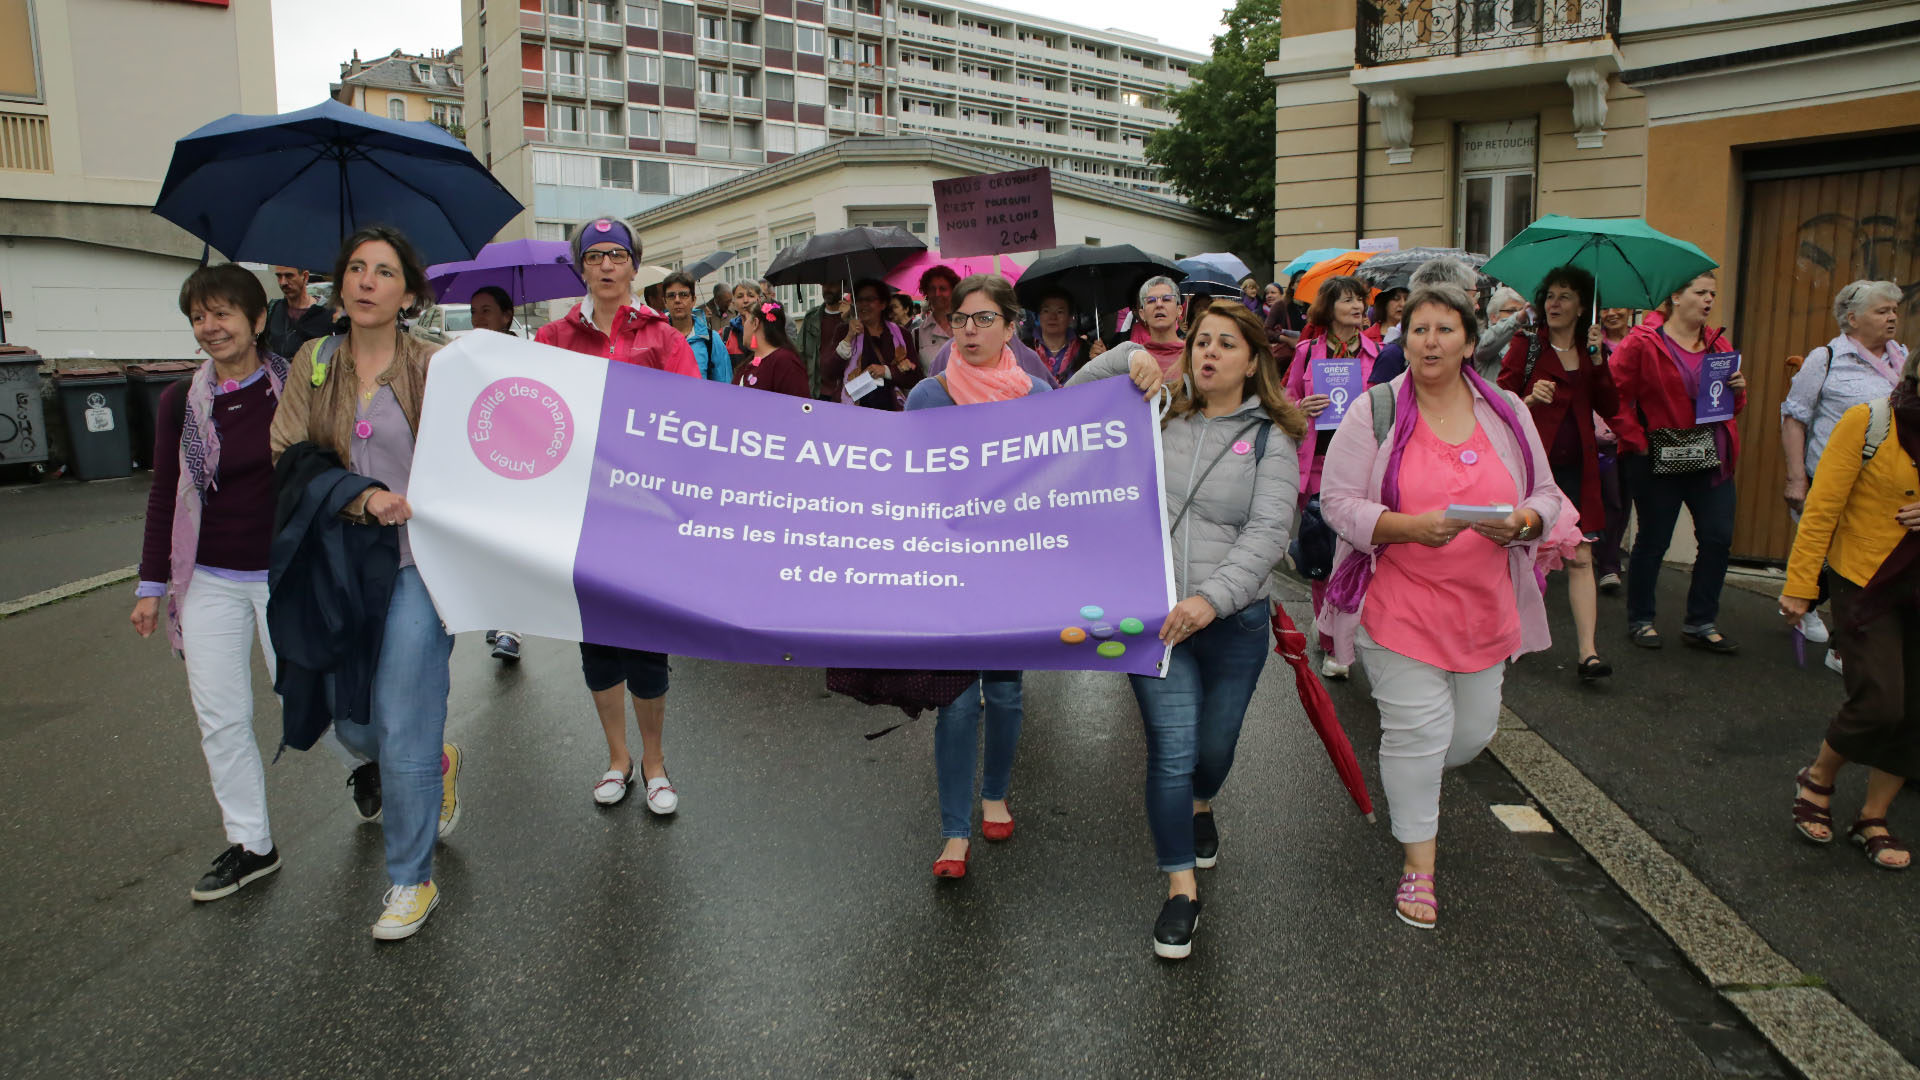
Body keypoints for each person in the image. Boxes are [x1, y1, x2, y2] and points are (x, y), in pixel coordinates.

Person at [1318, 285, 1562, 930]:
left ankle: (1407, 767)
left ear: (1469, 341)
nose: (1429, 340)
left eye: (1444, 329)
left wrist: (1530, 520)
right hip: (1397, 600)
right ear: (1404, 340)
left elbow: (1546, 490)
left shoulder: (1507, 409)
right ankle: (1418, 866)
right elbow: (1336, 502)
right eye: (1417, 328)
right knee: (1420, 733)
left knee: (1471, 735)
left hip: (1486, 605)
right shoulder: (1375, 409)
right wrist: (1404, 526)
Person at [1072, 299, 1304, 959]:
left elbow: (1268, 531)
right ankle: (1180, 890)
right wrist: (1128, 357)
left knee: (1214, 749)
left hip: (1233, 620)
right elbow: (1063, 406)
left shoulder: (1271, 437)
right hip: (1155, 620)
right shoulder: (1157, 412)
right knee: (1171, 751)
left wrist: (1212, 598)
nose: (1208, 353)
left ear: (1253, 359)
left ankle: (1203, 804)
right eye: (1201, 341)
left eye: (1226, 344)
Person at [268, 225, 459, 941]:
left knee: (403, 723)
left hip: (417, 565)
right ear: (340, 285)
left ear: (408, 292)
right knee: (353, 720)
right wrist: (360, 495)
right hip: (336, 559)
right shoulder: (312, 361)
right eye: (355, 268)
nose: (367, 281)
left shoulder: (435, 366)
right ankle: (436, 762)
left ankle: (411, 880)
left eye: (384, 271)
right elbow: (286, 450)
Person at [130, 265, 305, 901]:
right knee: (221, 718)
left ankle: (368, 766)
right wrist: (152, 586)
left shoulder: (295, 387)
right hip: (206, 578)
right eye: (199, 317)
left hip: (286, 575)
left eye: (223, 313)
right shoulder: (181, 401)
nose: (210, 327)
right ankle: (252, 843)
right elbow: (164, 497)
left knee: (306, 700)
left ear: (258, 321)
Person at [536, 218, 699, 812]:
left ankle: (654, 764)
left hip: (647, 516)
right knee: (598, 643)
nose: (607, 265)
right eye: (595, 256)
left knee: (647, 644)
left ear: (634, 266)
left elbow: (693, 421)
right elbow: (532, 420)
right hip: (584, 518)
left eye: (617, 256)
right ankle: (617, 759)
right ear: (582, 267)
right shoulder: (552, 338)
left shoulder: (664, 339)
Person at [903, 275, 1048, 881]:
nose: (969, 329)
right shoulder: (927, 398)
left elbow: (1058, 481)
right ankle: (954, 830)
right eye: (961, 319)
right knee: (958, 702)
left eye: (984, 319)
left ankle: (995, 795)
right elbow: (905, 488)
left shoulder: (1038, 396)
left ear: (1011, 327)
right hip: (949, 573)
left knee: (1007, 693)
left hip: (1013, 571)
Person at [1780, 347, 1920, 871]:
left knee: (1916, 709)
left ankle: (1874, 817)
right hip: (1867, 581)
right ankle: (1818, 778)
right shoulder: (1870, 422)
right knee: (1881, 700)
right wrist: (1799, 586)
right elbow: (1821, 510)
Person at [1610, 271, 1746, 653]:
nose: (1708, 300)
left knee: (1718, 539)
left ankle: (1701, 622)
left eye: (1712, 294)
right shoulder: (1643, 342)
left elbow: (1729, 406)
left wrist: (1738, 390)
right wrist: (1635, 439)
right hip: (1657, 455)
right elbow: (1613, 395)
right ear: (1676, 295)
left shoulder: (1719, 345)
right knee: (1654, 541)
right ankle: (1641, 619)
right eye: (1700, 292)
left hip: (1710, 455)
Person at [1497, 267, 1617, 681]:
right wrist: (1528, 398)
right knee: (1520, 552)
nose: (1554, 303)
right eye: (1550, 295)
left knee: (1583, 556)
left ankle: (1588, 654)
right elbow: (1499, 400)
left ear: (1583, 306)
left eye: (1565, 296)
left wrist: (1600, 361)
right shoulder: (1527, 343)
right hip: (1535, 469)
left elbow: (1609, 404)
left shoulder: (1591, 350)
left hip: (1578, 470)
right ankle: (1506, 636)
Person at [1780, 280, 1907, 669]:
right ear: (1852, 319)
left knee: (1865, 564)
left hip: (1882, 488)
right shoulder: (1827, 358)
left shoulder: (1902, 357)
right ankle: (1828, 630)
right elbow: (1794, 417)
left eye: (1894, 311)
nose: (1892, 318)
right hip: (1831, 480)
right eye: (1882, 311)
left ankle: (1841, 645)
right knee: (1832, 564)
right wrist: (1797, 477)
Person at [1284, 274, 1382, 678]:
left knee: (1360, 553)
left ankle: (1358, 628)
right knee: (1323, 552)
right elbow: (1285, 399)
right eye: (1346, 300)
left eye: (1360, 299)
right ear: (1329, 307)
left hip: (1365, 465)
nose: (1357, 306)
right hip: (1318, 465)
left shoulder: (1383, 355)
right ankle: (1330, 641)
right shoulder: (1308, 352)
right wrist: (1301, 406)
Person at [464, 283, 529, 661]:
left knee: (512, 544)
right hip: (480, 466)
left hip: (519, 466)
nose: (478, 319)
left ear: (507, 316)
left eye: (486, 310)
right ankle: (498, 613)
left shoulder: (527, 356)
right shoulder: (464, 357)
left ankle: (511, 629)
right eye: (474, 311)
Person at [1368, 259, 1526, 384]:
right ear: (1448, 294)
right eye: (1473, 296)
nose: (1477, 306)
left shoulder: (1469, 358)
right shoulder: (1393, 356)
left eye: (1444, 330)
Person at [1592, 308, 1639, 592]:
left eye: (1618, 307)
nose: (1612, 313)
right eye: (1606, 307)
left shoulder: (1640, 343)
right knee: (1612, 501)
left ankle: (1606, 555)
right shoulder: (1594, 344)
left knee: (1625, 501)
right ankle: (1608, 564)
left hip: (1634, 435)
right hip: (1603, 433)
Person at [835, 278, 920, 410]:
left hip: (891, 411)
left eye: (869, 300)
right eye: (859, 300)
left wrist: (886, 371)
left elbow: (915, 377)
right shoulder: (844, 331)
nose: (863, 305)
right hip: (853, 412)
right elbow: (829, 372)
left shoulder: (901, 335)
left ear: (883, 304)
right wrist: (848, 337)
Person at [661, 270, 731, 383]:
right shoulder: (657, 340)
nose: (677, 300)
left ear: (693, 300)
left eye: (683, 295)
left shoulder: (711, 340)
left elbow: (725, 386)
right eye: (671, 296)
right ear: (665, 302)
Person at [734, 298, 811, 398]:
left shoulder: (785, 362)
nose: (742, 324)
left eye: (745, 319)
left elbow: (798, 407)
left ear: (755, 323)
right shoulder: (750, 362)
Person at [265, 265, 335, 361]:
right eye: (279, 276)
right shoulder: (273, 309)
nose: (283, 282)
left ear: (305, 276)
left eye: (289, 276)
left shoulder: (326, 313)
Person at [799, 280, 852, 401]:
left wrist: (849, 318)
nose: (827, 289)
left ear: (843, 286)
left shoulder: (853, 317)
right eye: (824, 284)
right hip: (816, 390)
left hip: (844, 390)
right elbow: (800, 352)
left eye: (832, 284)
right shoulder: (812, 317)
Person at [1029, 288, 1094, 382]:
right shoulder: (1024, 349)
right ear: (1039, 315)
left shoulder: (1086, 351)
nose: (1052, 317)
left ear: (1070, 317)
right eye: (1046, 311)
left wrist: (1101, 362)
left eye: (1060, 312)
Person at [909, 264, 960, 366]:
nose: (937, 294)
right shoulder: (917, 335)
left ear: (953, 291)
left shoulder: (968, 326)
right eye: (932, 289)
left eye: (943, 288)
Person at [723, 280, 762, 368]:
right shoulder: (726, 334)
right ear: (733, 303)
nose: (745, 300)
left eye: (751, 295)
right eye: (740, 296)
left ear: (759, 299)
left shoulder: (769, 329)